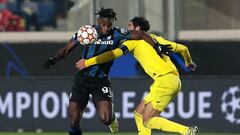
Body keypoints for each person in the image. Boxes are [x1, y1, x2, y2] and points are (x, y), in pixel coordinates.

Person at [43, 8, 168, 135]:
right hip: (82, 80)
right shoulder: (86, 32)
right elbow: (66, 49)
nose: (107, 28)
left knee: (106, 118)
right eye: (104, 25)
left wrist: (156, 46)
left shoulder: (118, 33)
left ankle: (112, 121)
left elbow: (141, 34)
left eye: (109, 25)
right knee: (74, 120)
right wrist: (54, 59)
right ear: (98, 21)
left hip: (101, 81)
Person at [75, 17, 198, 135]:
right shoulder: (156, 39)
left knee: (148, 120)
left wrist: (88, 62)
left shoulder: (134, 41)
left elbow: (112, 54)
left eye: (130, 26)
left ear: (137, 28)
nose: (127, 29)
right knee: (138, 113)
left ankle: (186, 131)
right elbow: (183, 48)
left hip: (164, 81)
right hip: (170, 80)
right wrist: (188, 62)